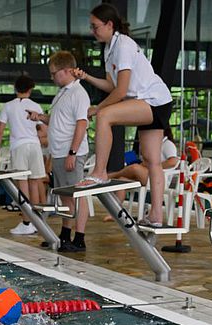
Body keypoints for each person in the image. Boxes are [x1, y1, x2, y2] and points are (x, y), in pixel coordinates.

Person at [73, 3, 174, 229]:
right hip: (156, 101)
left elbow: (121, 91)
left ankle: (100, 172)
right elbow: (111, 85)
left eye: (95, 26)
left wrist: (98, 108)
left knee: (105, 116)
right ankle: (157, 214)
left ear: (109, 24)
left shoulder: (124, 45)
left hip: (153, 100)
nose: (92, 31)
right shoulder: (110, 48)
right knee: (151, 159)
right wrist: (87, 77)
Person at [39, 50, 91, 252]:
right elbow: (58, 122)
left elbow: (81, 124)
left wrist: (73, 152)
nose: (52, 78)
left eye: (54, 73)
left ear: (67, 70)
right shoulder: (63, 93)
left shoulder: (78, 93)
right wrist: (40, 117)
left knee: (77, 194)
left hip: (70, 153)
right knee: (65, 196)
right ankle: (65, 234)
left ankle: (80, 238)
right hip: (59, 152)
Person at [0, 74, 48, 238]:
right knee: (35, 183)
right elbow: (43, 130)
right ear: (31, 89)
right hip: (34, 146)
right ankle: (38, 222)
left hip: (18, 147)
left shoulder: (8, 106)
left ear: (15, 88)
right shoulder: (36, 105)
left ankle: (26, 223)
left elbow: (0, 132)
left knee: (22, 185)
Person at [108, 127, 179, 186]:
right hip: (148, 174)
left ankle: (112, 175)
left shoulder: (167, 144)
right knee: (122, 181)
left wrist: (152, 166)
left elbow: (173, 162)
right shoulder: (152, 145)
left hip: (160, 177)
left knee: (135, 168)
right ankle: (116, 202)